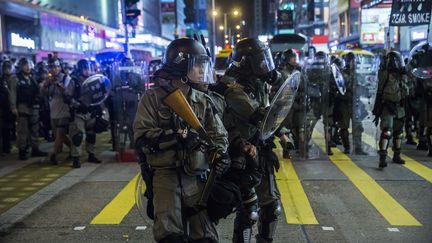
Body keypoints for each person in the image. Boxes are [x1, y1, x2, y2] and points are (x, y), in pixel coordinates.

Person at [133, 38, 229, 243]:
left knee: (205, 238)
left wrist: (220, 154)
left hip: (197, 178)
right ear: (182, 66)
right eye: (197, 64)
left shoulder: (202, 99)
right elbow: (142, 137)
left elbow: (219, 135)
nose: (202, 69)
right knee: (170, 237)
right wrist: (178, 137)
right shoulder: (152, 98)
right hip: (166, 177)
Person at [221, 38, 284, 243]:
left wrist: (283, 135)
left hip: (261, 151)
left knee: (272, 208)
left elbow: (274, 111)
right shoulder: (233, 88)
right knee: (249, 211)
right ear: (248, 63)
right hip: (242, 155)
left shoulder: (257, 84)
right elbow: (259, 117)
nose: (265, 65)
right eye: (261, 61)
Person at [373, 50, 409, 168]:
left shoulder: (402, 75)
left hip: (400, 106)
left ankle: (396, 155)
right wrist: (384, 60)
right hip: (387, 106)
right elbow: (380, 72)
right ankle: (382, 157)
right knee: (387, 132)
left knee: (399, 133)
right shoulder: (385, 74)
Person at [64, 59, 103, 168]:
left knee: (91, 134)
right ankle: (76, 158)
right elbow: (67, 96)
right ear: (80, 69)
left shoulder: (94, 80)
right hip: (79, 112)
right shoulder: (74, 81)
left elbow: (100, 95)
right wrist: (76, 104)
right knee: (78, 135)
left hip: (91, 111)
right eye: (85, 68)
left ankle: (91, 154)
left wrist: (99, 108)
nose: (88, 71)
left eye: (89, 68)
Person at [12, 58, 47, 160]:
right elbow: (13, 94)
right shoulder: (16, 79)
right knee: (22, 130)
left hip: (33, 107)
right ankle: (22, 151)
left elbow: (38, 92)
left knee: (35, 130)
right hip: (22, 107)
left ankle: (35, 149)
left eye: (29, 65)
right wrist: (13, 106)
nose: (28, 67)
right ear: (20, 66)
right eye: (25, 65)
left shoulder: (32, 78)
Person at [41, 57, 71, 164]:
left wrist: (58, 84)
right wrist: (46, 85)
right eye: (51, 67)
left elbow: (67, 92)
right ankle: (74, 149)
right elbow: (43, 94)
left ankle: (53, 155)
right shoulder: (48, 80)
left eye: (56, 67)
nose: (54, 69)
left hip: (64, 111)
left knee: (59, 135)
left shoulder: (65, 78)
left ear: (60, 67)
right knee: (60, 136)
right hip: (53, 111)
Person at [337, 52, 368, 155]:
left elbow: (363, 86)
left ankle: (358, 148)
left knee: (358, 127)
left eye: (354, 61)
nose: (354, 63)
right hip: (344, 103)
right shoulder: (342, 74)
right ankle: (347, 147)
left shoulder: (358, 74)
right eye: (351, 61)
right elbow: (341, 87)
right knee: (344, 127)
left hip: (355, 104)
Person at [409, 42, 432, 157]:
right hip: (424, 99)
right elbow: (417, 86)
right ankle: (424, 142)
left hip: (425, 99)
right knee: (424, 122)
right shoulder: (420, 69)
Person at [0, 61, 16, 155]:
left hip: (10, 108)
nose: (7, 70)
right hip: (3, 108)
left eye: (9, 68)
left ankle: (7, 146)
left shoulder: (14, 79)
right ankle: (4, 148)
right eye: (5, 68)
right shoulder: (2, 80)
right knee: (4, 129)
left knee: (9, 129)